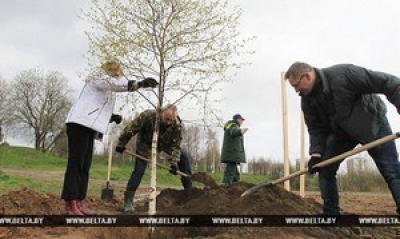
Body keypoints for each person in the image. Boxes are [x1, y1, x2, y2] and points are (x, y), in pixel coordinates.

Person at [284, 61, 400, 215]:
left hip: (372, 124)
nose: (296, 90)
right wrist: (316, 154)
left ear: (307, 76)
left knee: (391, 170)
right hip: (343, 133)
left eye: (296, 85)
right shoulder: (306, 99)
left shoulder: (344, 74)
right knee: (324, 168)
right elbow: (315, 128)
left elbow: (388, 82)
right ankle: (331, 216)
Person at [61, 61, 158, 216]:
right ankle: (70, 203)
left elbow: (96, 106)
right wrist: (139, 84)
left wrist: (111, 116)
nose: (119, 74)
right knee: (76, 165)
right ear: (112, 70)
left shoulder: (107, 86)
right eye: (118, 71)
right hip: (79, 124)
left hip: (88, 126)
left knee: (85, 166)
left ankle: (80, 201)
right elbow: (114, 84)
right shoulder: (99, 77)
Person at [115, 104, 191, 213]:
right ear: (161, 113)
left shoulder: (177, 125)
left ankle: (189, 192)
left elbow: (175, 146)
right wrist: (122, 143)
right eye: (166, 119)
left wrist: (174, 163)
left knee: (183, 156)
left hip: (165, 144)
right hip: (145, 145)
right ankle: (128, 201)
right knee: (139, 170)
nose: (169, 122)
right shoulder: (148, 116)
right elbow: (131, 128)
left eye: (171, 120)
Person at [220, 114, 247, 185]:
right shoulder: (233, 126)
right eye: (241, 120)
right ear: (238, 119)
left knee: (235, 174)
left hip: (232, 154)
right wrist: (240, 132)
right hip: (232, 154)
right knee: (230, 172)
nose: (242, 122)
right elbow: (233, 131)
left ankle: (236, 186)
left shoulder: (231, 125)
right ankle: (225, 185)